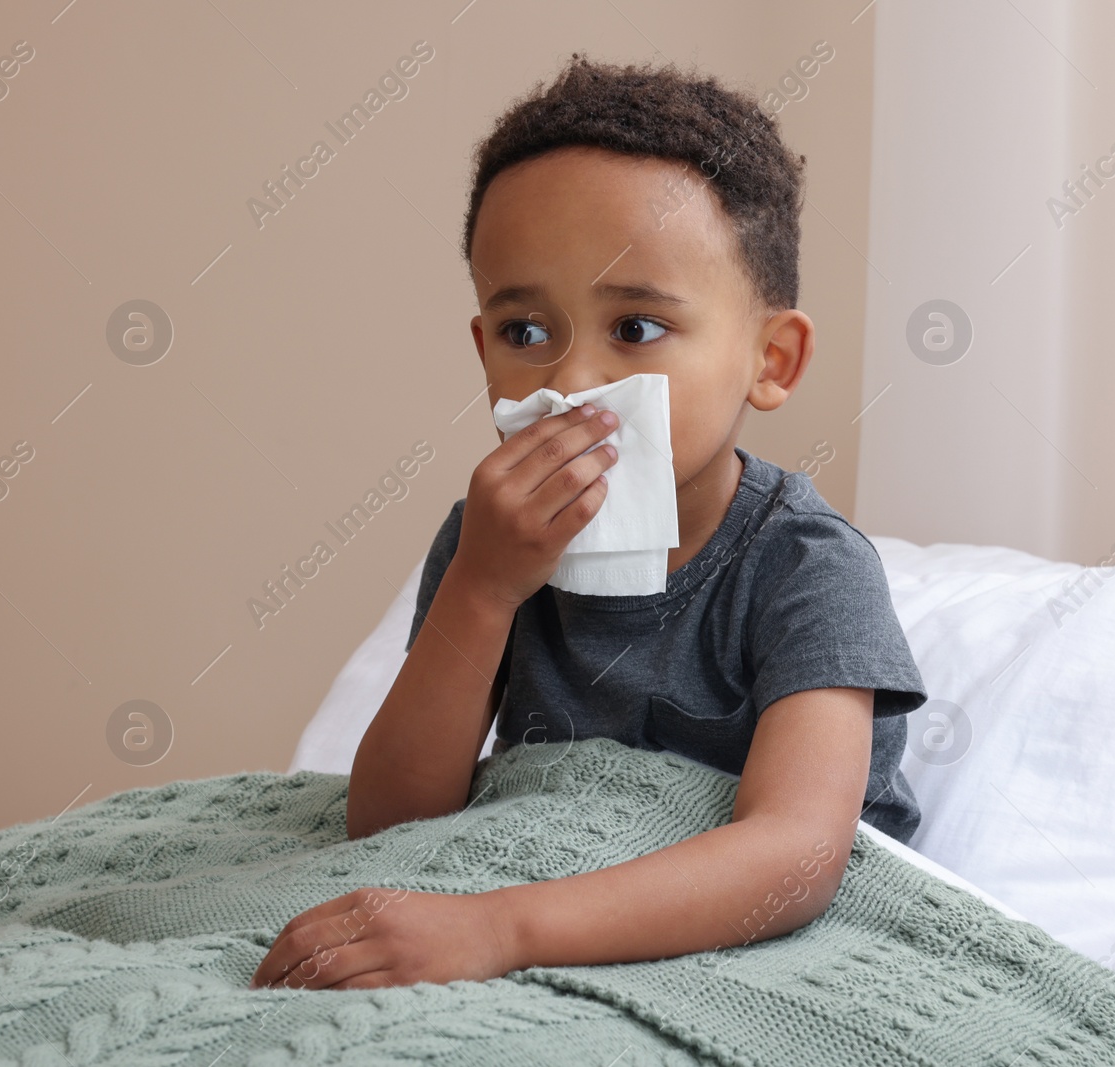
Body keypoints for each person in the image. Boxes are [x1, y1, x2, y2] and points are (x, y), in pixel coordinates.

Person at [251, 52, 927, 992]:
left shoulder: (805, 566)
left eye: (638, 328)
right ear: (485, 352)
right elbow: (391, 821)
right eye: (527, 333)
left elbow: (796, 855)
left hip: (760, 938)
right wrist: (483, 587)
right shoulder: (488, 542)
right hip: (536, 895)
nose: (569, 384)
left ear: (771, 359)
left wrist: (500, 930)